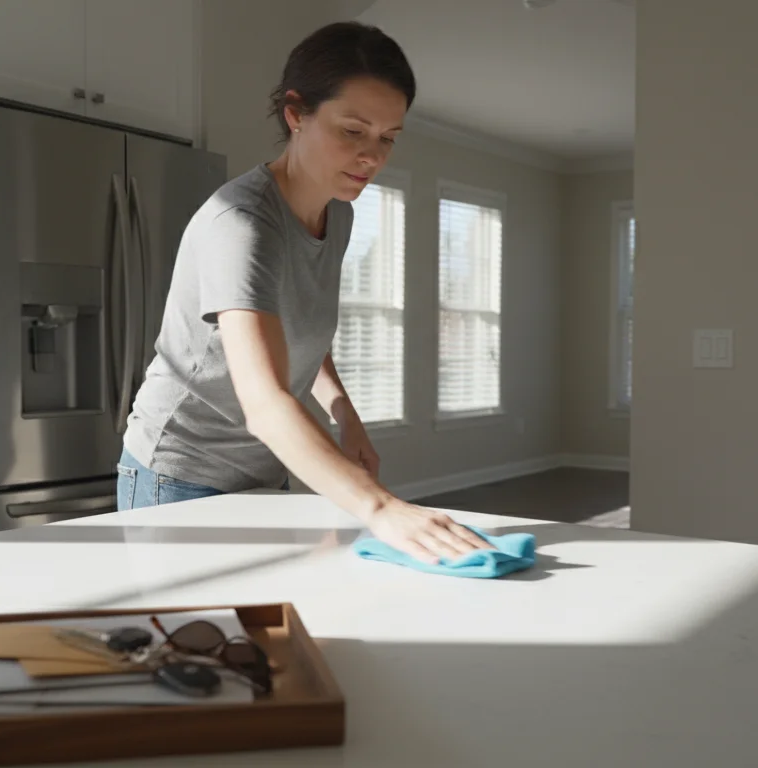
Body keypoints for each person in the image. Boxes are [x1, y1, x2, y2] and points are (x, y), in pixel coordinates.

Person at [116, 21, 491, 565]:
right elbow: (265, 404)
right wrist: (383, 509)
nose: (372, 156)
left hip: (264, 465)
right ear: (296, 113)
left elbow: (297, 328)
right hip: (179, 472)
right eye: (353, 131)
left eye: (388, 137)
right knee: (197, 639)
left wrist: (345, 413)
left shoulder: (337, 215)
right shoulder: (241, 224)